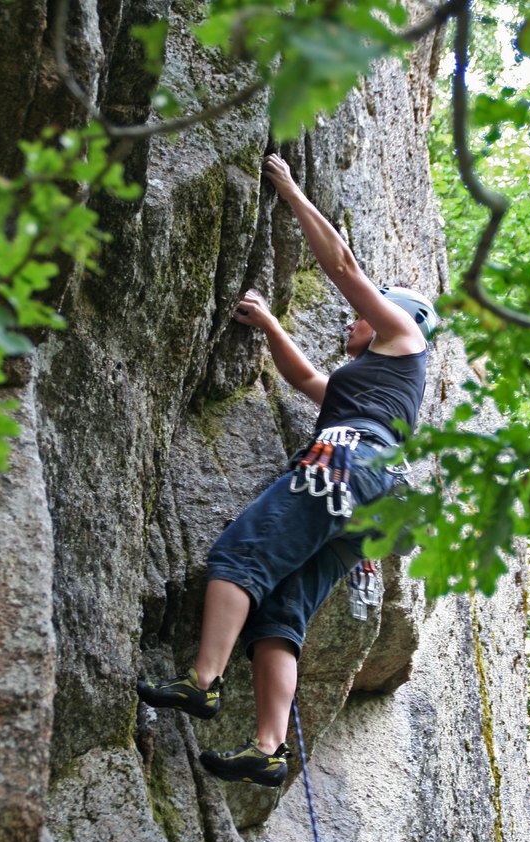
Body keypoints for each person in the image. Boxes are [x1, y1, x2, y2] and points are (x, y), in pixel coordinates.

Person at [137, 153, 437, 787]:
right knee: (282, 612)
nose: (355, 317)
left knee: (240, 555)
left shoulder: (404, 340)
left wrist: (293, 191)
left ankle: (201, 682)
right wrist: (270, 322)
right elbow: (306, 379)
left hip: (345, 461)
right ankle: (270, 746)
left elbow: (344, 268)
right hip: (371, 492)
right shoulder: (377, 383)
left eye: (371, 311)